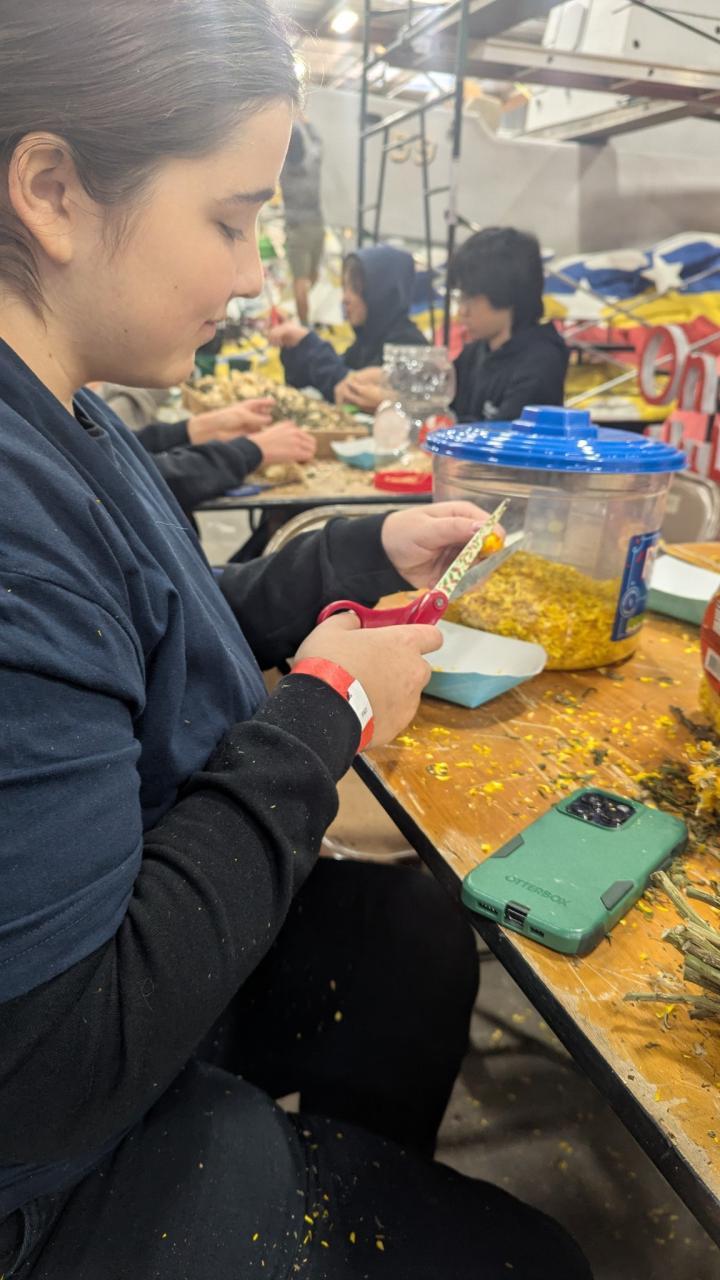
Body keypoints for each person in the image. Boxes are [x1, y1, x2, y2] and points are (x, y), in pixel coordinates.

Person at [0, 4, 593, 1279]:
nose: (252, 277)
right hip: (51, 1162)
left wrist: (354, 555)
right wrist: (323, 712)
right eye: (230, 221)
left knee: (412, 936)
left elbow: (153, 612)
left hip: (126, 972)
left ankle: (343, 1169)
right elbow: (54, 1062)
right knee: (537, 1259)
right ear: (52, 191)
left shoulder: (68, 413)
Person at [270, 243, 428, 404]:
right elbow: (325, 382)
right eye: (345, 287)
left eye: (356, 289)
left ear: (383, 293)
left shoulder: (409, 348)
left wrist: (308, 343)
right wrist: (295, 348)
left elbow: (348, 387)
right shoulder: (365, 342)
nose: (345, 298)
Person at [449, 226, 569, 421]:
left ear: (504, 292)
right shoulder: (474, 353)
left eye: (470, 298)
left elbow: (506, 433)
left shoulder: (541, 362)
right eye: (460, 298)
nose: (462, 312)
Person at [281, 119, 325, 325]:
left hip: (296, 231)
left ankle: (304, 326)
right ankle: (305, 318)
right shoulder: (313, 162)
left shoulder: (282, 171)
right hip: (317, 226)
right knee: (313, 276)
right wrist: (307, 123)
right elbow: (318, 142)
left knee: (299, 281)